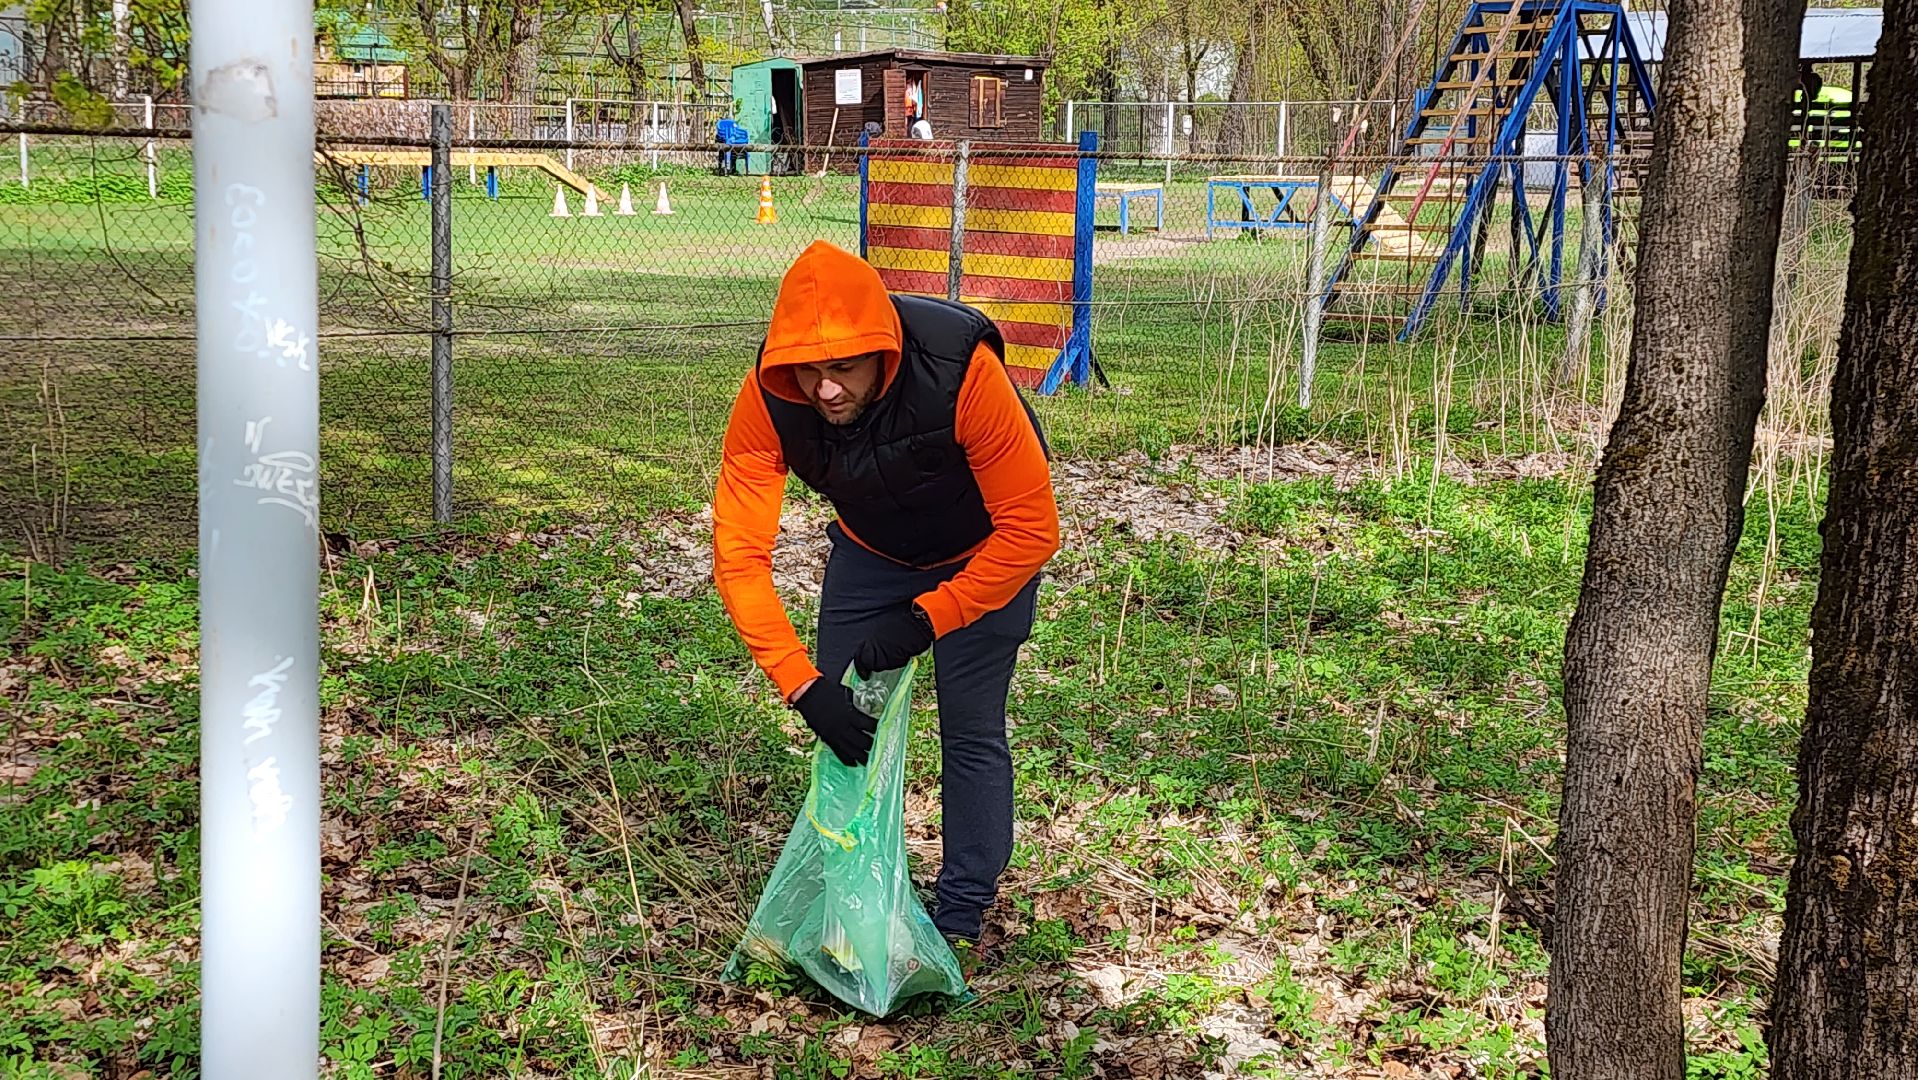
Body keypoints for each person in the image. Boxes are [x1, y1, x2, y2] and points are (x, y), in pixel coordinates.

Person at [713, 240, 1060, 951]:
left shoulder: (962, 371)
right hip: (871, 554)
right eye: (808, 371)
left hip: (987, 550)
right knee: (845, 736)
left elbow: (1032, 531)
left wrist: (929, 617)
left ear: (886, 350)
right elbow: (739, 555)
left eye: (843, 367)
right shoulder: (770, 398)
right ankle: (857, 905)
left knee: (969, 728)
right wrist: (801, 686)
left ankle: (960, 911)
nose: (825, 390)